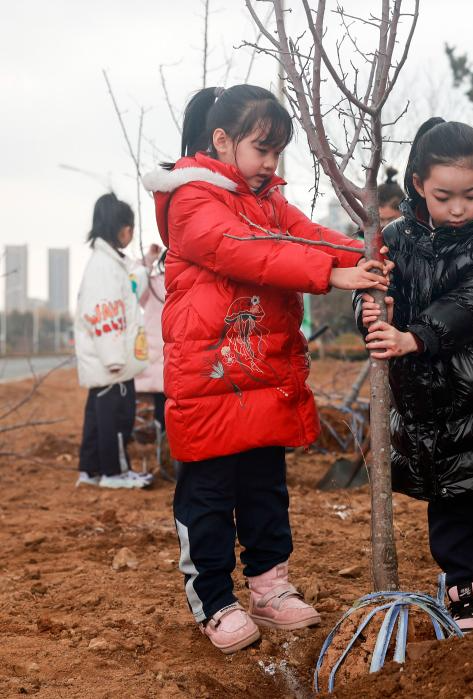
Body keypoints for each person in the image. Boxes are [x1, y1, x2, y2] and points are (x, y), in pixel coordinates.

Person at [142, 84, 391, 654]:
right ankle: (214, 600)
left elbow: (302, 235)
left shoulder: (268, 199)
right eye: (262, 149)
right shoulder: (191, 202)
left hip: (261, 371)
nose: (271, 164)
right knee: (206, 494)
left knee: (264, 486)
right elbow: (247, 249)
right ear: (222, 140)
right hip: (210, 378)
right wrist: (331, 275)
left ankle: (269, 588)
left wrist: (361, 255)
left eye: (278, 152)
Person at [357, 117, 473, 632]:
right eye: (445, 196)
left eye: (472, 194)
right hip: (427, 407)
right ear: (418, 185)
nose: (460, 208)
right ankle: (463, 584)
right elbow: (369, 291)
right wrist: (372, 316)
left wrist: (414, 337)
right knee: (448, 507)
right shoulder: (393, 239)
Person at [74, 193, 153, 490]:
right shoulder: (104, 267)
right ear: (119, 228)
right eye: (128, 226)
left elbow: (129, 289)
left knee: (97, 416)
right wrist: (114, 359)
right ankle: (114, 472)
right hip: (113, 361)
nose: (130, 233)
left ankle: (91, 469)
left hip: (109, 359)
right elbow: (104, 314)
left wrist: (148, 266)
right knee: (117, 418)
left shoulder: (109, 262)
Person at [135, 244, 167, 445]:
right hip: (164, 359)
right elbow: (132, 283)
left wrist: (148, 260)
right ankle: (163, 447)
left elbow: (133, 284)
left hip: (157, 360)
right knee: (166, 412)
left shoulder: (152, 284)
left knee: (158, 410)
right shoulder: (154, 283)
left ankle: (160, 446)